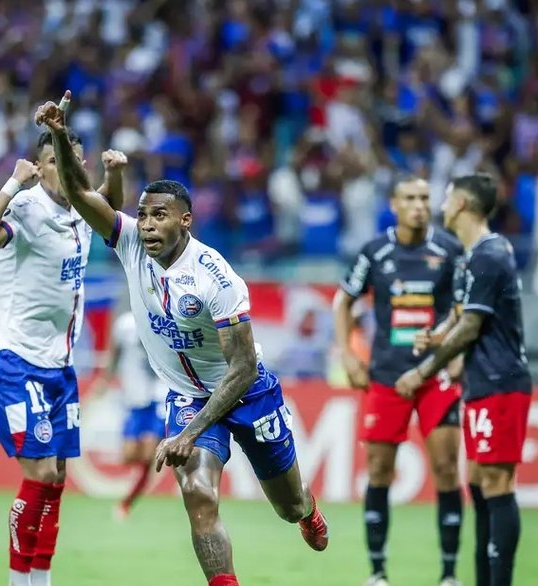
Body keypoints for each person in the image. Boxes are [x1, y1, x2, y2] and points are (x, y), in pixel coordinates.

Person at [38, 91, 329, 586]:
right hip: (189, 396)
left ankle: (306, 512)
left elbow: (240, 370)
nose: (147, 225)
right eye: (144, 215)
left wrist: (187, 433)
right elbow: (80, 194)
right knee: (198, 494)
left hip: (248, 392)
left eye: (160, 216)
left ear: (185, 221)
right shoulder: (129, 242)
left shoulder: (217, 277)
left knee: (288, 503)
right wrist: (61, 136)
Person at [0, 130, 126, 586]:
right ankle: (19, 582)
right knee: (38, 473)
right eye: (52, 162)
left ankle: (42, 578)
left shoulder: (81, 206)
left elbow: (110, 211)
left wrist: (115, 175)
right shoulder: (27, 205)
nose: (62, 171)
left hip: (59, 362)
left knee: (56, 477)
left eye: (72, 162)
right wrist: (11, 184)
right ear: (39, 166)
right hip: (12, 355)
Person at [397, 173, 532, 586]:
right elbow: (461, 314)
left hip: (500, 381)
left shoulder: (489, 255)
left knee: (496, 481)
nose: (440, 207)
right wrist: (438, 332)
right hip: (481, 381)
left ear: (461, 205)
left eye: (446, 198)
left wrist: (422, 370)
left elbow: (472, 325)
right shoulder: (477, 255)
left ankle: (499, 580)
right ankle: (484, 577)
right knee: (477, 480)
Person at [333, 175, 465, 586]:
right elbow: (343, 301)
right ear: (394, 204)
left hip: (436, 373)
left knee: (445, 467)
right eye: (410, 198)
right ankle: (378, 573)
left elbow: (464, 307)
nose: (419, 206)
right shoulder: (376, 251)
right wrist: (350, 356)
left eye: (425, 198)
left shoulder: (449, 249)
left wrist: (455, 351)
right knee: (379, 470)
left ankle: (448, 574)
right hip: (387, 375)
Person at [103, 307, 168, 520]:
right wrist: (104, 381)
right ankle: (130, 495)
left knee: (150, 454)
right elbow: (114, 355)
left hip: (157, 395)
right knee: (129, 455)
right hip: (134, 397)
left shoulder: (161, 319)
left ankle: (127, 503)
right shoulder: (123, 324)